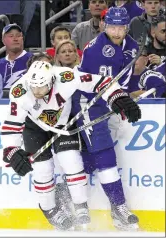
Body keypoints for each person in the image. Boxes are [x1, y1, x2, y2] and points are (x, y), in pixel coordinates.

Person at [1, 59, 141, 230]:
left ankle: (80, 206)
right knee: (42, 169)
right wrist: (12, 150)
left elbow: (101, 82)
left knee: (72, 160)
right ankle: (49, 209)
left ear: (52, 80)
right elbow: (12, 124)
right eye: (34, 87)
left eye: (42, 87)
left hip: (63, 125)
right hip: (34, 128)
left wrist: (117, 96)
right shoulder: (19, 90)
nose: (37, 91)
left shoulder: (66, 76)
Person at [71, 7, 140, 230]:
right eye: (112, 27)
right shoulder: (95, 50)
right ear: (104, 25)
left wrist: (124, 96)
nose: (117, 32)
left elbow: (125, 79)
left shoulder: (132, 46)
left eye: (121, 27)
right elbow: (91, 85)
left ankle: (68, 188)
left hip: (112, 103)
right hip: (89, 103)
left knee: (94, 154)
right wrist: (118, 97)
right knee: (104, 151)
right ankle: (119, 207)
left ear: (127, 27)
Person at [0, 24, 32, 91]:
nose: (15, 39)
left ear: (22, 39)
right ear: (3, 40)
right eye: (11, 36)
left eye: (18, 36)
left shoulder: (34, 60)